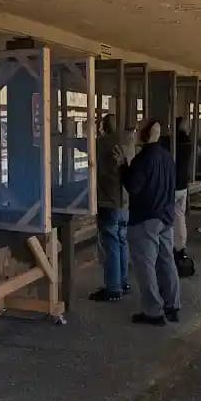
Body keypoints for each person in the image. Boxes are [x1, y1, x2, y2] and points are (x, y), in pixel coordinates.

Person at [118, 118, 181, 325]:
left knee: (145, 266)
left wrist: (123, 166)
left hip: (145, 218)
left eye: (138, 129)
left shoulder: (142, 159)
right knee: (166, 262)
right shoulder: (167, 156)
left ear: (145, 134)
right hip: (166, 217)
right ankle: (172, 305)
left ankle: (153, 311)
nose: (135, 133)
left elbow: (133, 187)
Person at [89, 114, 131, 301]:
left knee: (110, 243)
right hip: (125, 202)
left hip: (107, 200)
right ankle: (123, 282)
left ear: (102, 127)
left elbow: (82, 146)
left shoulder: (100, 143)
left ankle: (113, 288)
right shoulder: (126, 142)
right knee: (122, 240)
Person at [173, 117, 194, 265]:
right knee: (180, 217)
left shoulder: (172, 141)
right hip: (183, 184)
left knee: (168, 219)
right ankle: (180, 247)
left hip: (172, 185)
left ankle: (170, 248)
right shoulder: (188, 141)